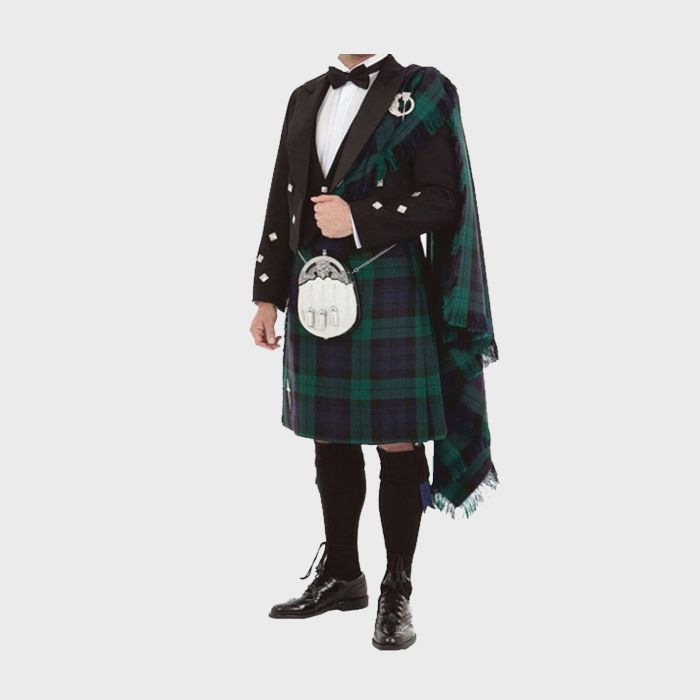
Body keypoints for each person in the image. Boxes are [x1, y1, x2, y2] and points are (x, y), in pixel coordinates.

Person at [250, 53, 499, 650]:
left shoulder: (422, 90)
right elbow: (282, 200)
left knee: (397, 439)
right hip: (312, 281)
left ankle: (397, 590)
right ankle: (342, 576)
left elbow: (444, 197)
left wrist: (358, 218)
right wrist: (266, 296)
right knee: (329, 435)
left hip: (389, 284)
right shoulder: (304, 96)